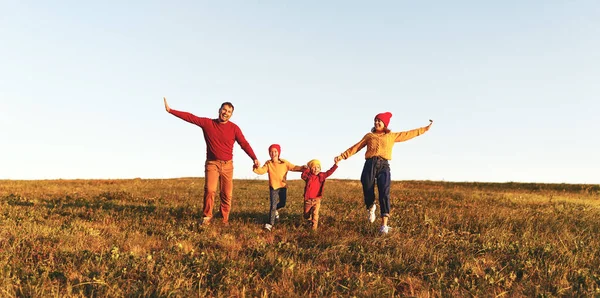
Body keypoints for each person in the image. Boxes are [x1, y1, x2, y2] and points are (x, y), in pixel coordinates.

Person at [163, 97, 260, 226]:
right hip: (212, 164)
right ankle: (207, 216)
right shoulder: (208, 124)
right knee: (210, 190)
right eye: (224, 110)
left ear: (231, 115)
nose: (226, 113)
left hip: (227, 165)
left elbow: (244, 143)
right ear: (219, 110)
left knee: (226, 193)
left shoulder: (234, 128)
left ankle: (224, 219)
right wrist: (171, 110)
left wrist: (254, 158)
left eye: (229, 112)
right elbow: (191, 117)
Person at [334, 112, 433, 234]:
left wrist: (424, 129)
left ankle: (384, 226)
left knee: (384, 193)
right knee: (366, 184)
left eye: (379, 121)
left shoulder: (391, 136)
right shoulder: (369, 136)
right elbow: (356, 147)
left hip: (384, 165)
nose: (376, 123)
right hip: (370, 164)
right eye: (375, 120)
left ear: (385, 124)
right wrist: (342, 156)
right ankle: (371, 206)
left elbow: (407, 134)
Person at [253, 144, 305, 231]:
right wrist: (256, 167)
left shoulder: (284, 163)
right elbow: (261, 171)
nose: (273, 153)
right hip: (273, 187)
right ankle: (270, 224)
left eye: (275, 151)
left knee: (283, 203)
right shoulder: (268, 163)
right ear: (269, 153)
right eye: (271, 152)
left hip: (283, 186)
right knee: (273, 206)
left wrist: (302, 168)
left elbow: (293, 167)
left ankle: (275, 210)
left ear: (278, 153)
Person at [301, 159, 338, 230]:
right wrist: (306, 169)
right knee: (306, 215)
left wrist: (335, 165)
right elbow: (303, 176)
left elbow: (329, 172)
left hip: (317, 200)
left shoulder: (321, 176)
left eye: (318, 167)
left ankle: (313, 230)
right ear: (310, 169)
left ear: (320, 168)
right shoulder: (308, 176)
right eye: (314, 167)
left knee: (315, 214)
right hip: (308, 200)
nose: (316, 169)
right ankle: (308, 221)